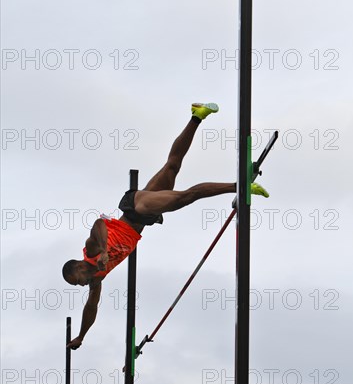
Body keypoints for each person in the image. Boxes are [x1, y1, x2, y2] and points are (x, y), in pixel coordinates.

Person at [62, 103, 269, 349]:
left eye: (77, 280)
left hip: (136, 208)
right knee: (172, 166)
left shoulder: (91, 252)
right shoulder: (97, 278)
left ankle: (239, 185)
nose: (81, 285)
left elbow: (98, 224)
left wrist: (105, 250)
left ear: (77, 266)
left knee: (185, 197)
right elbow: (91, 307)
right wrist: (82, 336)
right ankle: (196, 116)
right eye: (78, 286)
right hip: (143, 218)